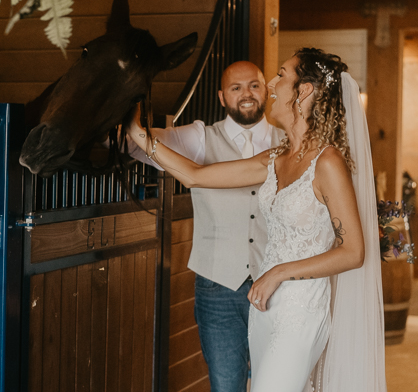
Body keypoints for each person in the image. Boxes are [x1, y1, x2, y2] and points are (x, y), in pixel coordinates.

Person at [128, 48, 386, 391]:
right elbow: (194, 176)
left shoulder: (327, 162)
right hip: (265, 309)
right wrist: (137, 133)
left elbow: (353, 252)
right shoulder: (277, 158)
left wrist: (278, 272)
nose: (273, 84)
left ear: (304, 90)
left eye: (282, 74)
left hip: (300, 309)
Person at [128, 61, 280, 391]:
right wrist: (132, 119)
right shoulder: (200, 137)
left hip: (277, 286)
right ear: (222, 97)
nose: (246, 94)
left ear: (267, 90)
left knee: (278, 382)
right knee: (226, 386)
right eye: (236, 88)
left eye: (254, 85)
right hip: (218, 285)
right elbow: (138, 147)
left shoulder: (288, 144)